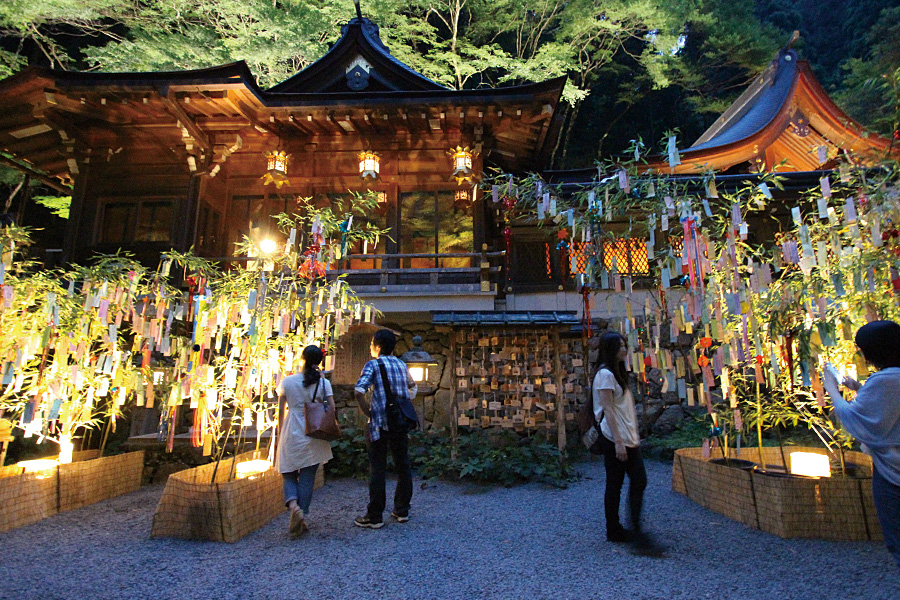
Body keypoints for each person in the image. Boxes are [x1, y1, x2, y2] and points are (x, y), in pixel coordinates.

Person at [823, 320, 900, 569]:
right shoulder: (889, 379)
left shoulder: (887, 380)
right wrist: (859, 388)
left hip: (893, 474)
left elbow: (860, 422)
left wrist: (831, 389)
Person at [592, 330, 663, 556]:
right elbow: (608, 409)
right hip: (615, 437)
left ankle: (627, 529)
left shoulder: (617, 372)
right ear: (611, 349)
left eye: (624, 345)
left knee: (634, 481)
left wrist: (633, 435)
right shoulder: (605, 374)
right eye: (621, 346)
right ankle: (618, 530)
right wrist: (620, 443)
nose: (625, 349)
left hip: (626, 437)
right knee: (619, 483)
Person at [353, 329, 418, 529]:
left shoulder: (373, 365)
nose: (371, 347)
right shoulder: (401, 364)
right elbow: (412, 388)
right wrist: (402, 402)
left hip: (379, 424)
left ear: (378, 346)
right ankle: (401, 510)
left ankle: (375, 516)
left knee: (377, 468)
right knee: (403, 466)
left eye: (372, 343)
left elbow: (358, 390)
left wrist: (368, 412)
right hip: (400, 422)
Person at [276, 345, 333, 537]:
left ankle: (294, 506)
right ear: (320, 361)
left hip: (292, 429)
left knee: (288, 472)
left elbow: (280, 412)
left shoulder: (288, 381)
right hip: (315, 431)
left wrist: (279, 435)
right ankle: (303, 514)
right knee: (308, 476)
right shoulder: (323, 383)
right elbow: (331, 408)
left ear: (302, 358)